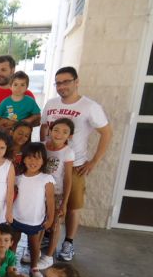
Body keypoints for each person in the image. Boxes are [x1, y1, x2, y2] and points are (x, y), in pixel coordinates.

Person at [40, 66, 112, 262]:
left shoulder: (89, 106)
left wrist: (94, 161)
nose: (62, 86)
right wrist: (42, 154)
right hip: (49, 165)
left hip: (75, 164)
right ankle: (47, 236)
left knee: (71, 205)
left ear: (76, 81)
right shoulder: (51, 103)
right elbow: (45, 127)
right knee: (47, 204)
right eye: (58, 83)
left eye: (66, 82)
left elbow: (106, 133)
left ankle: (68, 242)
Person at [12, 143, 55, 277]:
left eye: (37, 158)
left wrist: (50, 219)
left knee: (34, 244)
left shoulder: (46, 179)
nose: (33, 161)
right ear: (23, 159)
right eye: (29, 157)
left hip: (34, 219)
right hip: (16, 216)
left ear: (43, 161)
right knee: (13, 241)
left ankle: (34, 267)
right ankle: (11, 265)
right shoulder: (18, 178)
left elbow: (50, 201)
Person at [40, 118, 75, 269]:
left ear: (70, 136)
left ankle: (48, 256)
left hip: (57, 194)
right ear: (49, 130)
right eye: (56, 130)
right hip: (39, 192)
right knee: (38, 222)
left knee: (54, 224)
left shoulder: (68, 152)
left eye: (65, 132)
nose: (59, 134)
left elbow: (68, 178)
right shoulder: (42, 147)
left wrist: (65, 203)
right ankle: (32, 250)